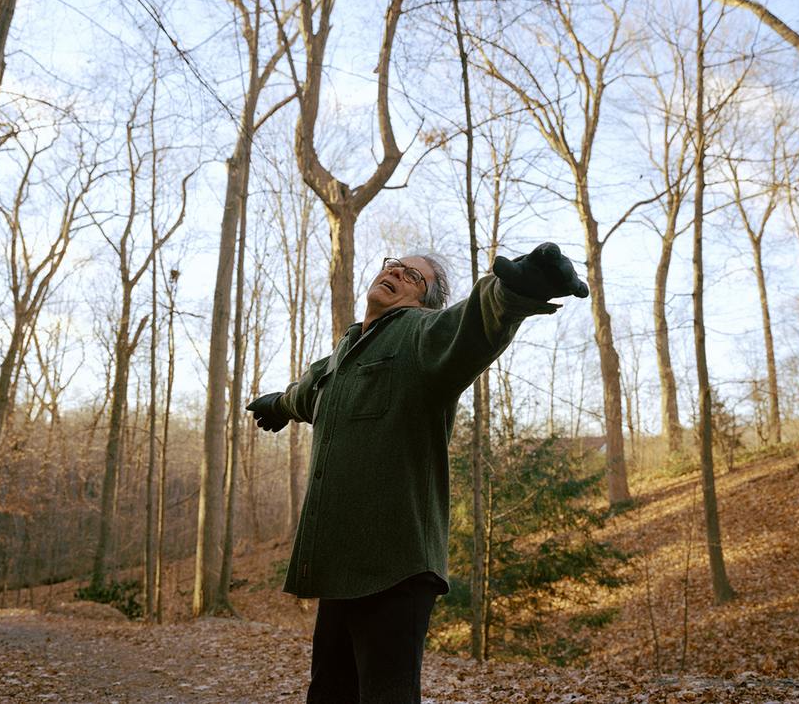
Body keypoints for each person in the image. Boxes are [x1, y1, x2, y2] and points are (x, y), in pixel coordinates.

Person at [246, 242, 588, 704]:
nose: (398, 273)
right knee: (328, 694)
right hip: (340, 567)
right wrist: (280, 403)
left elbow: (470, 325)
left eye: (413, 276)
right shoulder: (342, 356)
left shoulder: (418, 335)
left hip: (396, 566)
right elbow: (309, 391)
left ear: (424, 302)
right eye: (395, 266)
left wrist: (511, 293)